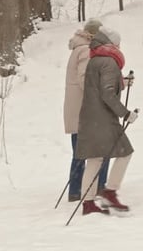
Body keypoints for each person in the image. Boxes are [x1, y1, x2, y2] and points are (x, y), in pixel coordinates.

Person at [76, 26, 138, 215]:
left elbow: (100, 87)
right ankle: (110, 192)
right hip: (103, 118)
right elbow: (107, 94)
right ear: (111, 44)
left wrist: (122, 82)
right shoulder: (110, 62)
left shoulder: (95, 60)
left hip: (90, 116)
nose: (119, 48)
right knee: (125, 152)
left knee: (95, 159)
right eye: (118, 44)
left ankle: (88, 204)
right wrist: (126, 114)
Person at [63, 19, 111, 202]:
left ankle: (76, 190)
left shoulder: (79, 49)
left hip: (79, 111)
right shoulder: (85, 50)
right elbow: (86, 80)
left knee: (80, 153)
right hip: (86, 111)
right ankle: (97, 187)